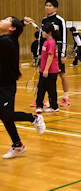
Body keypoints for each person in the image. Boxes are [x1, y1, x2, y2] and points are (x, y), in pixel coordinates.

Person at [0, 16, 46, 159]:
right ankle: (18, 145)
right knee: (4, 116)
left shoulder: (6, 41)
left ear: (12, 28)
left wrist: (21, 24)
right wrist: (22, 23)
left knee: (7, 115)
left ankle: (34, 119)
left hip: (5, 85)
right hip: (2, 83)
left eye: (6, 19)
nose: (2, 20)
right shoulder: (8, 39)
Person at [30, 0, 70, 107]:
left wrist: (63, 54)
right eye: (46, 5)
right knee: (43, 74)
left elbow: (64, 38)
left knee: (62, 74)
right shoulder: (44, 20)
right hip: (45, 52)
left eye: (50, 6)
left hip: (57, 53)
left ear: (55, 8)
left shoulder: (60, 20)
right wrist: (39, 53)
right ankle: (41, 99)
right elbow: (41, 39)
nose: (47, 7)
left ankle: (66, 97)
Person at [35, 23, 59, 113]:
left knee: (51, 89)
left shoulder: (51, 42)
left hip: (50, 71)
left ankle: (54, 106)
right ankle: (39, 106)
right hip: (44, 70)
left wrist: (46, 69)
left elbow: (50, 56)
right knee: (41, 88)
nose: (41, 33)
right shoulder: (46, 42)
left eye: (43, 31)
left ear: (49, 32)